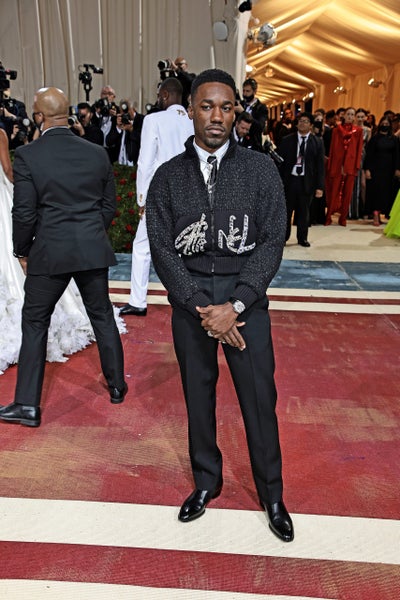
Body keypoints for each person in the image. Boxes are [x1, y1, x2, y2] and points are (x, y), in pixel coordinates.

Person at [146, 69, 294, 543]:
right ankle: (206, 482)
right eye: (207, 106)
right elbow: (162, 248)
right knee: (198, 395)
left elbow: (273, 239)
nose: (216, 116)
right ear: (190, 110)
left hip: (244, 295)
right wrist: (199, 306)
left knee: (260, 399)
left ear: (236, 113)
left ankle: (272, 495)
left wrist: (237, 302)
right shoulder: (168, 177)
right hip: (191, 298)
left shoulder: (260, 169)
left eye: (226, 107)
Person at [0, 87, 127, 427]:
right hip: (91, 250)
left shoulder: (28, 155)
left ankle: (27, 406)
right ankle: (117, 385)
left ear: (39, 117)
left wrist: (22, 250)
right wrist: (90, 234)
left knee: (35, 321)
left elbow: (23, 213)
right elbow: (109, 206)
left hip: (49, 253)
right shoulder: (97, 153)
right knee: (102, 315)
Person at [119, 77, 193, 317]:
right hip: (190, 194)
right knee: (186, 247)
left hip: (160, 194)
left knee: (142, 247)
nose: (158, 99)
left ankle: (137, 301)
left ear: (165, 95)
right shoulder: (194, 121)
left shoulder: (154, 120)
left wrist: (141, 198)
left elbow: (145, 163)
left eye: (159, 95)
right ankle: (188, 298)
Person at [277, 112, 325, 246]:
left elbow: (320, 166)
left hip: (306, 181)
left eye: (305, 121)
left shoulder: (317, 142)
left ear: (311, 125)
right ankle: (283, 237)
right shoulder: (287, 140)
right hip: (290, 181)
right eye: (300, 121)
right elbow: (280, 163)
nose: (302, 123)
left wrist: (320, 186)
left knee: (304, 212)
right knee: (286, 211)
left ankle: (302, 238)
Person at [325, 107, 363, 226]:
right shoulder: (336, 130)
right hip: (337, 164)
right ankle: (329, 216)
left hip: (350, 165)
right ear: (344, 116)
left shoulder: (358, 131)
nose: (350, 116)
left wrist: (356, 165)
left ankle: (343, 218)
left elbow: (359, 149)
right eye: (348, 114)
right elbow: (332, 149)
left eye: (352, 114)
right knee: (333, 191)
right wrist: (331, 165)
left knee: (348, 193)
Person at [364, 116, 400, 224]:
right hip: (376, 169)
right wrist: (367, 169)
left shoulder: (394, 139)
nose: (385, 126)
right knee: (376, 192)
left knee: (386, 193)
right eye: (383, 124)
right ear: (380, 124)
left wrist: (397, 168)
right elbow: (369, 155)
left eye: (387, 124)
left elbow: (397, 155)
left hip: (389, 170)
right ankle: (375, 213)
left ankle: (381, 213)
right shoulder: (375, 139)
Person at [234, 78, 268, 151]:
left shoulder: (261, 108)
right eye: (243, 91)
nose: (245, 94)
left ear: (254, 91)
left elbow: (259, 127)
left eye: (248, 91)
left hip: (253, 145)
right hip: (238, 143)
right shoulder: (241, 104)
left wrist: (243, 112)